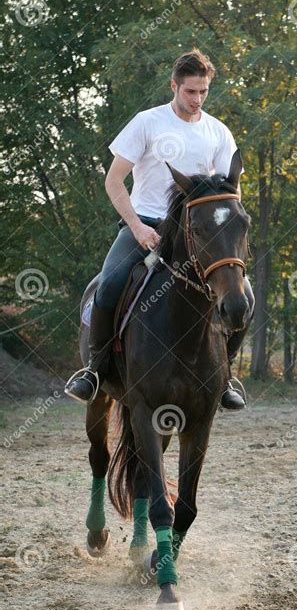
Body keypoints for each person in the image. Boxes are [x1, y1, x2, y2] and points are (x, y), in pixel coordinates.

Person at [64, 48, 254, 409]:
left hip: (197, 237)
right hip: (146, 226)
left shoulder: (218, 132)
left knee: (246, 298)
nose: (197, 99)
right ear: (174, 86)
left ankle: (224, 377)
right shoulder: (147, 122)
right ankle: (95, 370)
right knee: (108, 288)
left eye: (203, 91)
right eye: (190, 91)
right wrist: (136, 228)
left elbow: (231, 194)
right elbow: (114, 181)